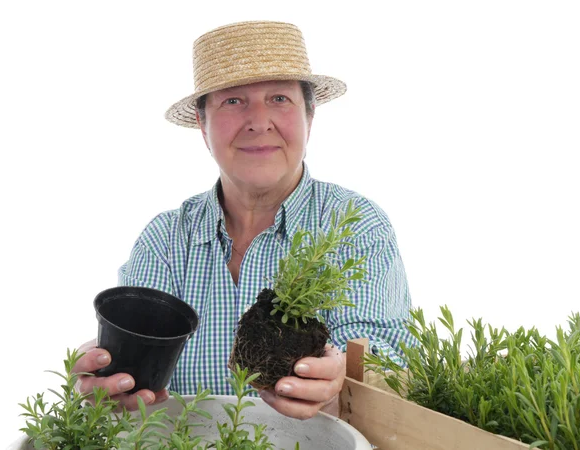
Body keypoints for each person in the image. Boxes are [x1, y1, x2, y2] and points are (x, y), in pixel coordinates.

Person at [73, 20, 416, 420]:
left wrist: (344, 379)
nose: (258, 121)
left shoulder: (356, 225)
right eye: (233, 101)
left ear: (310, 115)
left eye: (279, 99)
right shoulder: (165, 239)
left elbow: (384, 353)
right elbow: (134, 360)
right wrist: (106, 372)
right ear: (202, 125)